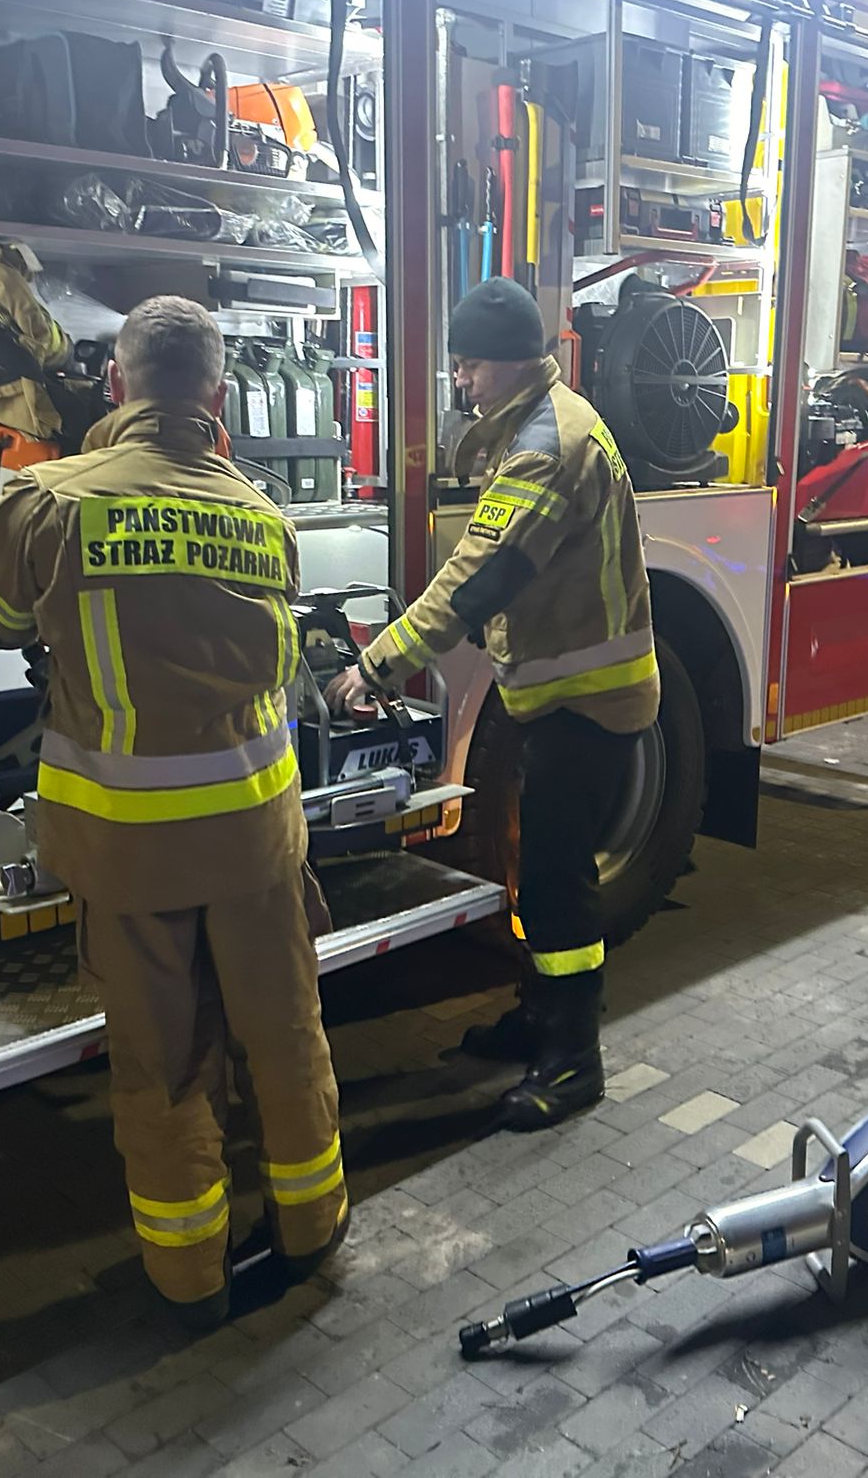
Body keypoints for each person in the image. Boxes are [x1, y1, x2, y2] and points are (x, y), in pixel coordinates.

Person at [0, 296, 346, 1328]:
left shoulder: (52, 501)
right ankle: (310, 1232)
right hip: (257, 840)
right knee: (286, 1036)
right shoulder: (263, 514)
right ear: (219, 397)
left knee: (164, 1069)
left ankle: (189, 1280)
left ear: (117, 386)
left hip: (132, 853)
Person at [326, 278, 656, 1130]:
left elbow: (478, 579)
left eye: (469, 365)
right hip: (570, 697)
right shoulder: (545, 422)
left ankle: (572, 1062)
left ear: (509, 362)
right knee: (540, 873)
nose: (461, 380)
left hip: (586, 705)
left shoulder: (547, 446)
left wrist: (378, 665)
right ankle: (541, 1018)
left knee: (555, 885)